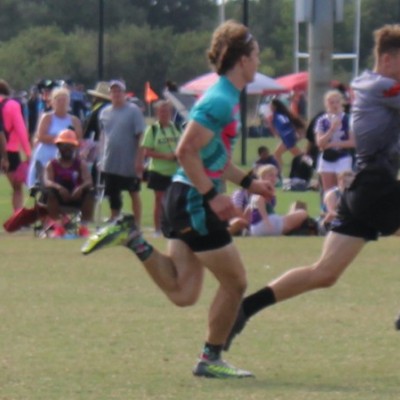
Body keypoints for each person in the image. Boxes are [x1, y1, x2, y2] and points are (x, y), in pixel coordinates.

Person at [224, 24, 400, 352]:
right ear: (387, 59)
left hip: (362, 190)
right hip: (377, 189)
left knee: (324, 273)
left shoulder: (380, 87)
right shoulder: (380, 86)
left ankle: (244, 310)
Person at [81, 20, 274, 379]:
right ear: (243, 59)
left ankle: (133, 239)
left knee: (184, 292)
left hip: (184, 196)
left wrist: (249, 181)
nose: (259, 62)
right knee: (236, 283)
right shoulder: (220, 99)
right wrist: (213, 197)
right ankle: (210, 358)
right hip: (194, 200)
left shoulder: (225, 96)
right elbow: (186, 151)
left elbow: (212, 156)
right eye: (257, 55)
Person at [98, 80, 146, 226]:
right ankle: (115, 220)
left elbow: (140, 137)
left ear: (124, 93)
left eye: (119, 91)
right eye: (113, 91)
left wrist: (139, 160)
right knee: (113, 194)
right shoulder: (104, 113)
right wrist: (100, 158)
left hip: (129, 161)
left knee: (133, 192)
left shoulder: (133, 111)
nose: (116, 94)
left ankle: (137, 223)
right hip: (110, 160)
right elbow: (103, 135)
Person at [42, 129, 93, 237]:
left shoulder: (80, 164)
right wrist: (59, 188)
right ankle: (59, 226)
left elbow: (88, 180)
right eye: (64, 146)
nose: (67, 149)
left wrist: (80, 188)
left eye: (70, 146)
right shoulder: (51, 164)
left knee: (90, 192)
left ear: (75, 147)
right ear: (59, 147)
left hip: (77, 197)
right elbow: (47, 181)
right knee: (50, 193)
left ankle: (83, 227)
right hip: (58, 198)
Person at [28, 88, 82, 189]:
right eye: (59, 100)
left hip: (66, 155)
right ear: (53, 101)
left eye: (64, 100)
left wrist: (68, 144)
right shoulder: (47, 117)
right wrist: (62, 140)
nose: (62, 103)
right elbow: (41, 136)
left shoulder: (74, 120)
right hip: (47, 153)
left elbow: (78, 139)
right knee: (43, 184)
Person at [142, 100, 181, 236]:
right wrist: (166, 156)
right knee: (159, 199)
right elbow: (146, 152)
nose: (165, 114)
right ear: (157, 113)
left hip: (175, 171)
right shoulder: (152, 130)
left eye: (167, 111)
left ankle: (174, 227)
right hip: (158, 170)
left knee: (175, 201)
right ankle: (158, 229)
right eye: (162, 111)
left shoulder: (176, 128)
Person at [249, 164, 309, 236]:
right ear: (263, 176)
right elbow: (259, 200)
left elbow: (250, 209)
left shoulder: (265, 190)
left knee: (295, 211)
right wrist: (267, 223)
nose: (274, 178)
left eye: (275, 176)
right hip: (264, 225)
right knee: (302, 213)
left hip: (257, 227)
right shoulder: (262, 190)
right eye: (270, 175)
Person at [315, 90, 355, 197]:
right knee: (328, 191)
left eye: (337, 102)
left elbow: (353, 142)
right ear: (326, 104)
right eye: (331, 102)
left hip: (343, 157)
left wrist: (332, 144)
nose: (334, 105)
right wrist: (332, 129)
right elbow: (320, 143)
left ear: (341, 103)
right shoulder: (322, 120)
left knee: (344, 188)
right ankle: (327, 210)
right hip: (327, 157)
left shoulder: (347, 119)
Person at [0, 79, 32, 211]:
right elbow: (21, 129)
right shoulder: (12, 105)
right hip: (10, 149)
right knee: (17, 187)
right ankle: (17, 216)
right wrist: (28, 152)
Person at [269, 98, 306, 173]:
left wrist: (297, 133)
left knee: (299, 156)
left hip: (288, 137)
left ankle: (314, 164)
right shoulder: (278, 114)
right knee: (277, 154)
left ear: (275, 106)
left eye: (270, 105)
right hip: (285, 137)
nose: (269, 107)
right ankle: (279, 173)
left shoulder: (279, 115)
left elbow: (287, 123)